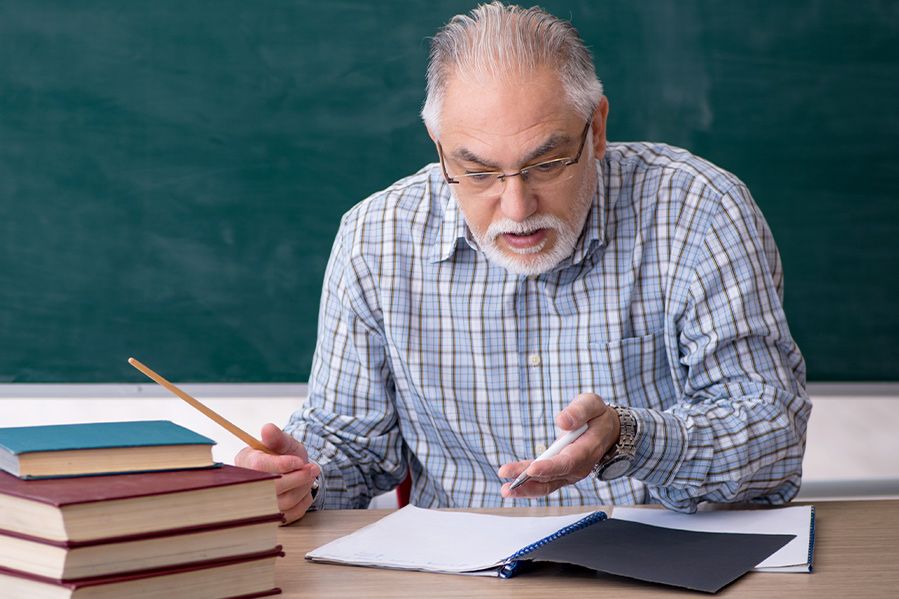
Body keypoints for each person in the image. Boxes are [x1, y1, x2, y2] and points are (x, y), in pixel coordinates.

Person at [236, 2, 810, 524]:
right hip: (459, 576)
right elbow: (350, 445)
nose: (517, 208)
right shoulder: (375, 239)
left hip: (666, 568)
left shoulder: (699, 211)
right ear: (440, 149)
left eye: (548, 163)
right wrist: (299, 477)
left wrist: (630, 440)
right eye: (480, 172)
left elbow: (772, 436)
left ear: (599, 128)